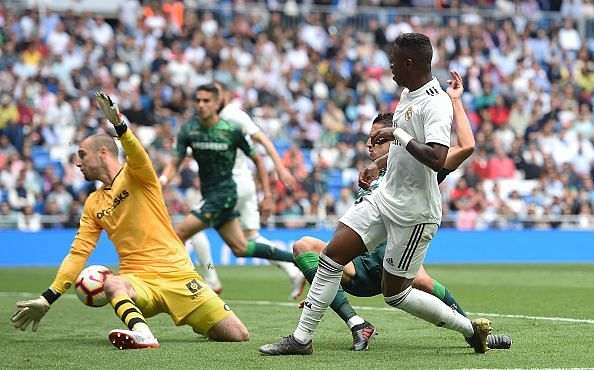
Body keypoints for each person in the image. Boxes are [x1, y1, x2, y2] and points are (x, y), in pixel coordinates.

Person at [259, 33, 492, 356]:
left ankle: (470, 330)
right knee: (330, 257)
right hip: (385, 200)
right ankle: (301, 339)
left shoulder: (435, 102)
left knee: (395, 295)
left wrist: (396, 133)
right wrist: (380, 163)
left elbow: (438, 157)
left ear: (410, 64)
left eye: (394, 61)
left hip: (413, 213)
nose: (390, 66)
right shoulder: (407, 94)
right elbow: (407, 148)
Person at [11, 92, 249, 349]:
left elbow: (138, 153)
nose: (77, 162)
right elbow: (79, 252)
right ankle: (142, 334)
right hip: (138, 281)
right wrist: (48, 297)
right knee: (112, 282)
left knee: (238, 334)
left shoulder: (137, 175)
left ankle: (194, 318)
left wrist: (119, 125)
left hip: (178, 274)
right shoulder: (93, 203)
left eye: (82, 155)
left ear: (103, 153)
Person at [160, 84, 301, 294]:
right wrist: (162, 179)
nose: (201, 105)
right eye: (198, 100)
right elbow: (179, 159)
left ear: (220, 100)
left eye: (207, 100)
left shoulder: (234, 120)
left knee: (181, 232)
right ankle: (298, 261)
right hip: (220, 190)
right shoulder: (191, 128)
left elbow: (261, 147)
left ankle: (190, 283)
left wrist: (276, 178)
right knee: (242, 246)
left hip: (231, 188)